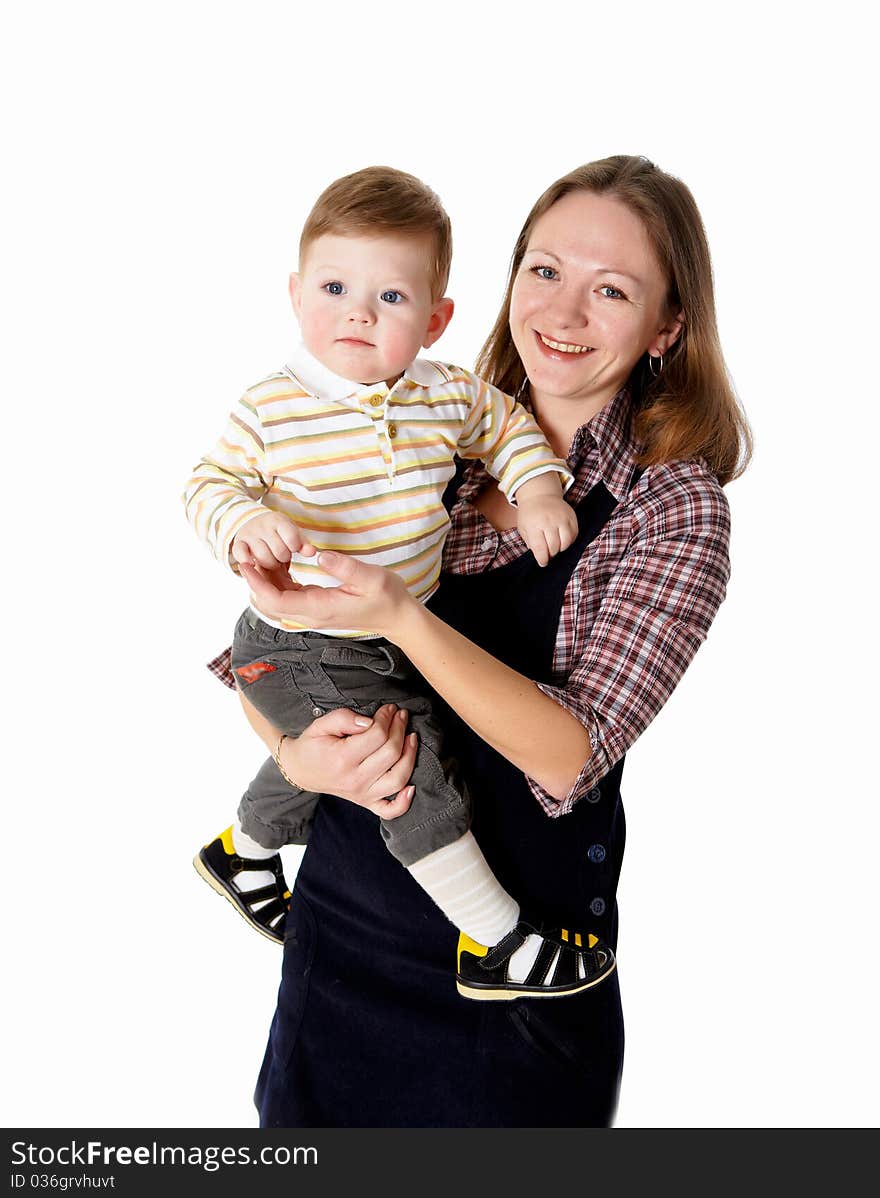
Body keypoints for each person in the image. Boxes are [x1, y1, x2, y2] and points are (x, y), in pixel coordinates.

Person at [214, 154, 750, 1127]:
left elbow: (569, 751)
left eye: (612, 290)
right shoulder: (416, 421)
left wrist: (398, 616)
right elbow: (267, 652)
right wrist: (298, 756)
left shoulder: (671, 508)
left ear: (666, 327)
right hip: (338, 950)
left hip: (514, 992)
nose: (564, 312)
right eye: (543, 270)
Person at [184, 165, 618, 1000]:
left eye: (390, 298)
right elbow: (205, 485)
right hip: (304, 638)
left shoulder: (444, 393)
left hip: (389, 634)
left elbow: (508, 426)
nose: (357, 312)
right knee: (406, 771)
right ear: (295, 292)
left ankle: (242, 854)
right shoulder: (272, 407)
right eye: (337, 286)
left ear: (435, 319)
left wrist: (535, 488)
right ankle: (500, 941)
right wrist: (242, 524)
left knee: (340, 753)